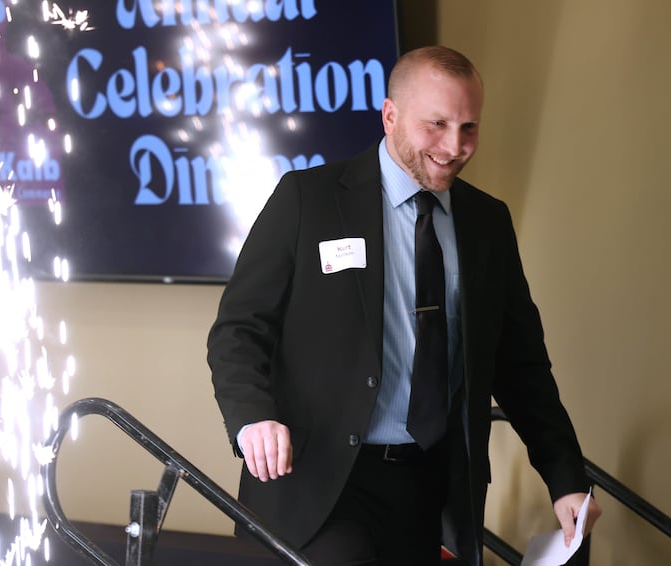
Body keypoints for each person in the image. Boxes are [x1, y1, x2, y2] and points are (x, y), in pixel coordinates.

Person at [206, 45, 601, 565]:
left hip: (429, 488)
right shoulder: (309, 199)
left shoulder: (487, 224)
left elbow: (521, 366)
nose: (454, 146)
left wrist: (566, 478)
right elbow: (239, 328)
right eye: (436, 124)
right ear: (390, 115)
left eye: (469, 128)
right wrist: (252, 417)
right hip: (320, 482)